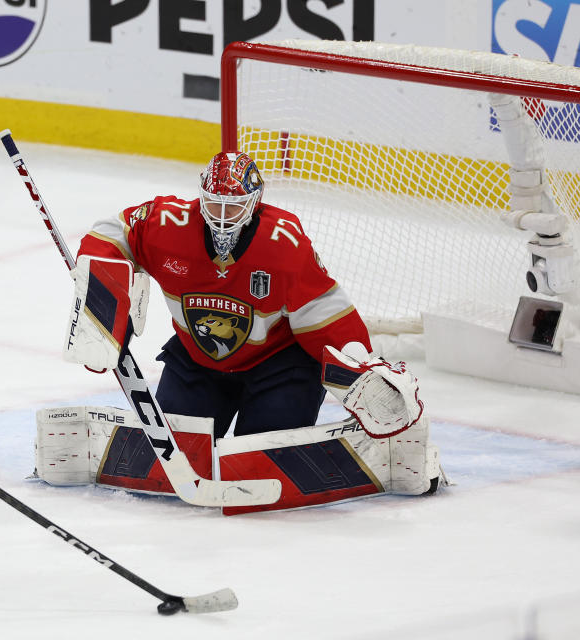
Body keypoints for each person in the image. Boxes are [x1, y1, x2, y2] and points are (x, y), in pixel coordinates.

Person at [56, 151, 439, 508]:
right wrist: (101, 303)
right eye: (215, 204)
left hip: (278, 366)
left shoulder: (283, 244)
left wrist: (358, 363)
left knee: (259, 459)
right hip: (198, 361)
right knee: (179, 453)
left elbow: (324, 310)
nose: (223, 215)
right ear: (201, 196)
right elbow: (112, 233)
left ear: (255, 203)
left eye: (234, 206)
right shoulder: (166, 224)